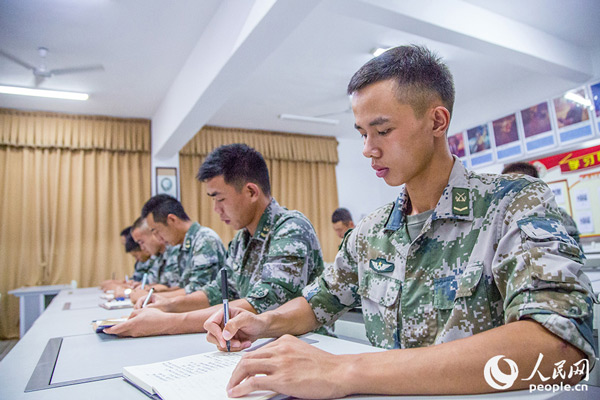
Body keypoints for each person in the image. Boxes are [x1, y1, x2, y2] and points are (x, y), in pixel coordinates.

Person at [203, 45, 596, 398]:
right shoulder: (372, 231)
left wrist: (346, 370)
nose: (368, 149)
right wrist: (262, 322)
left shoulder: (514, 203)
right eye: (362, 133)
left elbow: (560, 346)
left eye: (383, 131)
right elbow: (319, 301)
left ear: (437, 121)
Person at [106, 144, 324, 337]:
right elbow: (218, 291)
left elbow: (266, 304)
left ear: (251, 192)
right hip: (259, 340)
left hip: (305, 343)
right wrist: (167, 305)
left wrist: (167, 322)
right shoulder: (242, 240)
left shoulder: (290, 228)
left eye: (220, 199)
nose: (216, 209)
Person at [136, 194, 226, 299]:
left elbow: (199, 290)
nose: (158, 238)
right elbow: (183, 287)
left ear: (172, 220)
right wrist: (155, 291)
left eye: (156, 231)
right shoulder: (178, 246)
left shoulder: (204, 239)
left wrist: (151, 297)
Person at [501, 161, 581, 246]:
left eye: (516, 187)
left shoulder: (558, 217)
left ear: (534, 187)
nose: (510, 193)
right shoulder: (506, 221)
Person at [129, 216, 182, 304]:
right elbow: (162, 285)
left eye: (141, 242)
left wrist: (150, 294)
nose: (142, 248)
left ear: (154, 234)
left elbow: (190, 290)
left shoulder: (177, 251)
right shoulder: (158, 257)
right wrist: (148, 288)